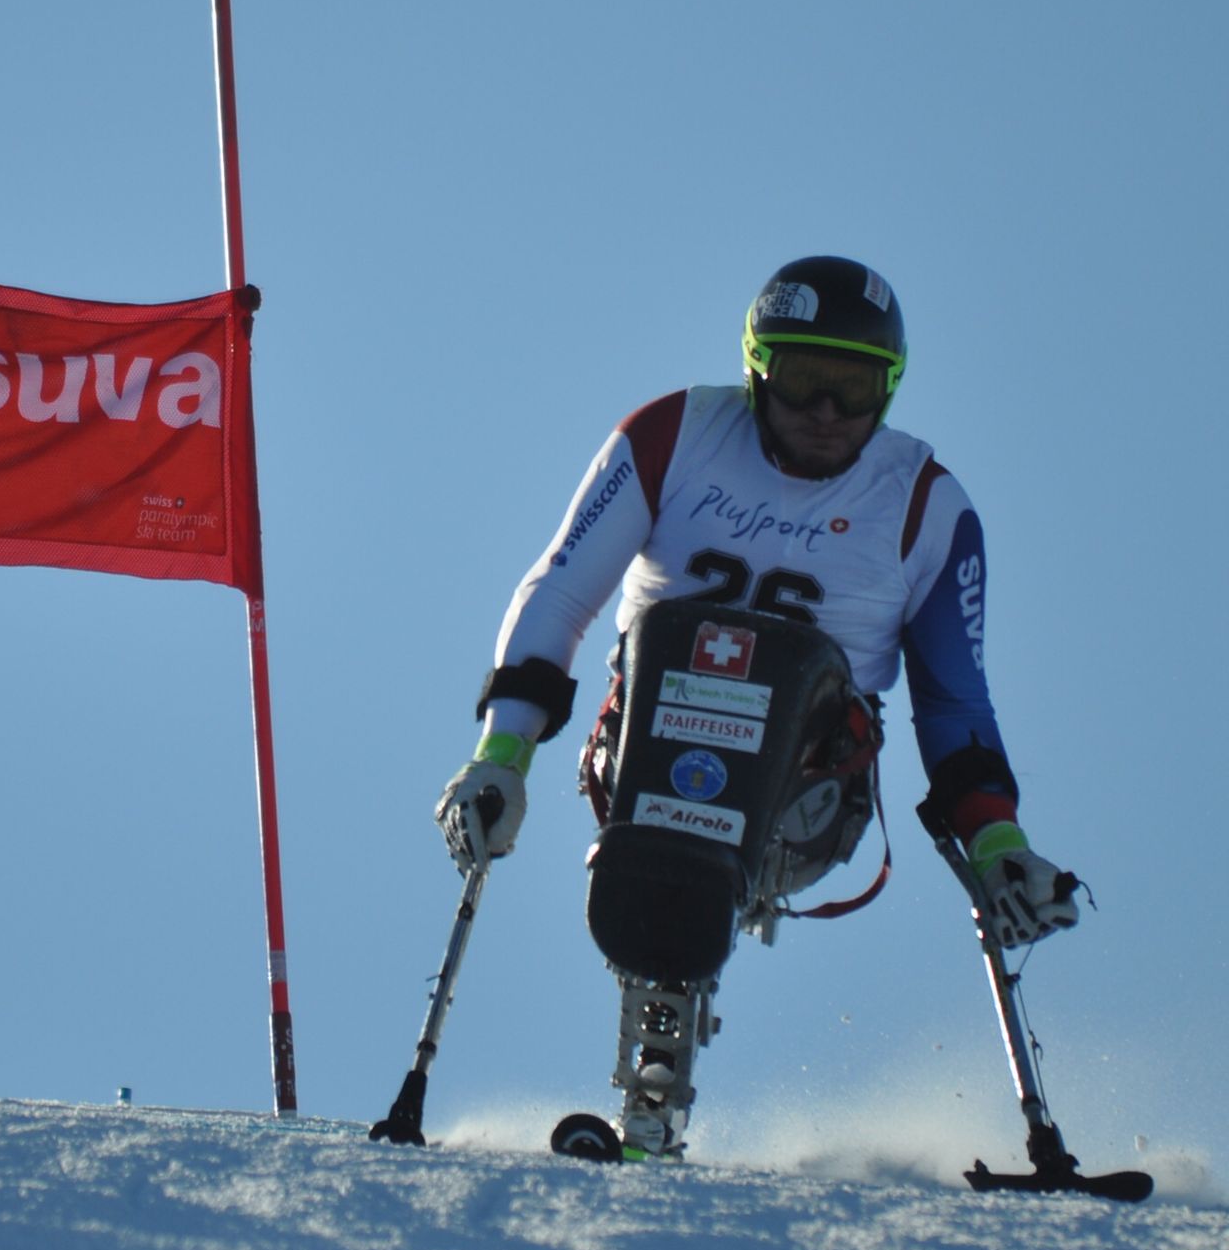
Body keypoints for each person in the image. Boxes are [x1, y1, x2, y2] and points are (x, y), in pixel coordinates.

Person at [434, 254, 1079, 1159]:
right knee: (685, 640)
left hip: (809, 791)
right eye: (806, 380)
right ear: (757, 369)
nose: (826, 414)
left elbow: (954, 698)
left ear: (888, 392)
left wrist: (1000, 845)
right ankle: (652, 1080)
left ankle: (662, 1055)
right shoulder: (676, 435)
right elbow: (561, 591)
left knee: (781, 662)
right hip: (646, 746)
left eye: (853, 390)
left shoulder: (926, 505)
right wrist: (501, 760)